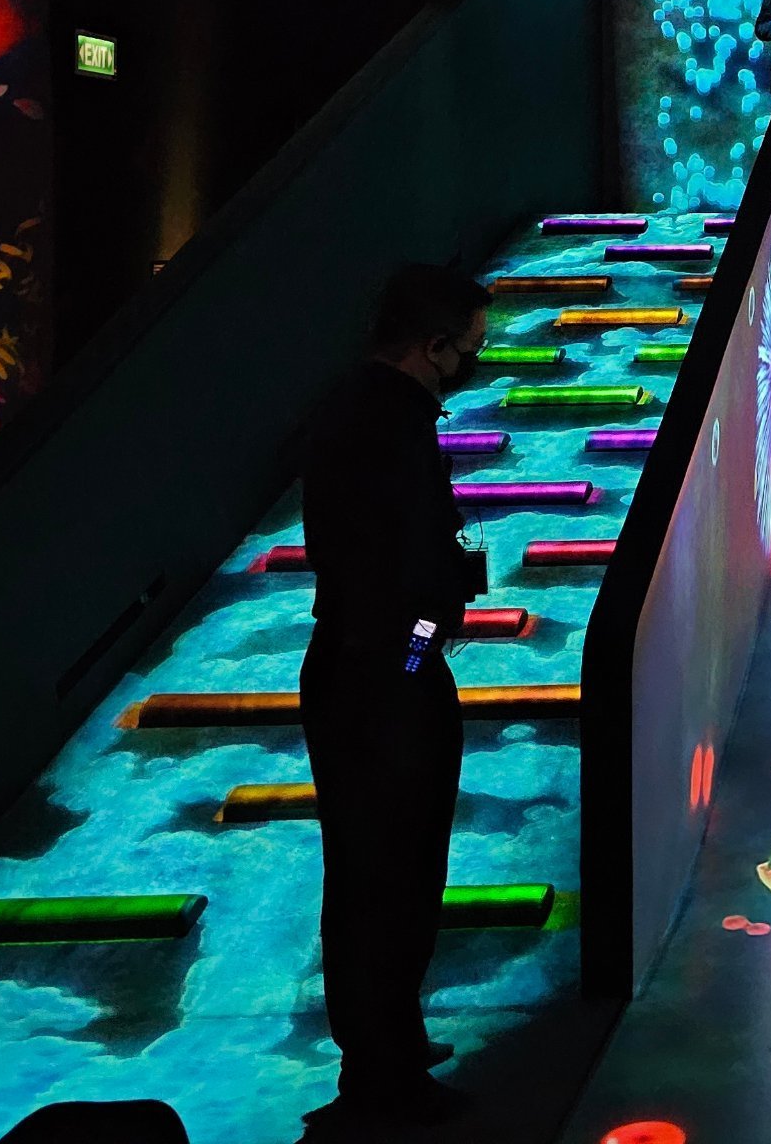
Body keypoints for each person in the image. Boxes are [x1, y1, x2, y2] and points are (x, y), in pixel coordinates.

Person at [298, 264, 490, 1127]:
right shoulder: (386, 424)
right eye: (469, 347)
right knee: (391, 876)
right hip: (383, 674)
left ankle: (388, 1047)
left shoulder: (358, 408)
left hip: (365, 666)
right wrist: (417, 656)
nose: (472, 363)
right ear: (432, 344)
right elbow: (395, 580)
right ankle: (383, 1076)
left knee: (373, 871)